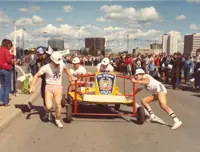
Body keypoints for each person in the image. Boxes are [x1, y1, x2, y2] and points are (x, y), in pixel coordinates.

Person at [30, 52, 76, 128]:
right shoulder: (46, 67)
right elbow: (36, 75)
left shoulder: (62, 64)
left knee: (58, 104)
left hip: (58, 87)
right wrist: (32, 86)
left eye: (58, 63)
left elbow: (66, 70)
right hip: (49, 87)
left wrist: (71, 76)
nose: (58, 64)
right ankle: (47, 112)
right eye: (56, 63)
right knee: (48, 106)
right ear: (52, 60)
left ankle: (57, 120)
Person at [0, 39, 14, 106]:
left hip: (0, 69)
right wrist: (11, 55)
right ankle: (5, 102)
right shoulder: (6, 51)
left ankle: (1, 100)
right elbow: (8, 60)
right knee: (7, 86)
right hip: (6, 69)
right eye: (10, 45)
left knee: (2, 86)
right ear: (8, 44)